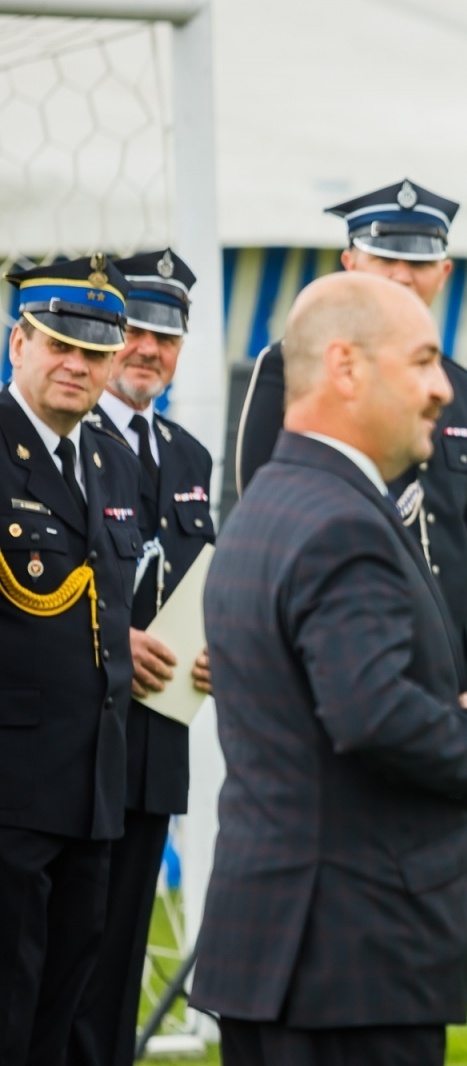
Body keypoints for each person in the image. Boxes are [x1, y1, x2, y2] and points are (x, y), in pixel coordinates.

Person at [190, 271, 467, 1066]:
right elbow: (373, 713)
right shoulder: (342, 522)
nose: (443, 389)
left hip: (282, 950)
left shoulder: (272, 502)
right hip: (350, 956)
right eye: (422, 362)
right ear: (345, 368)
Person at [234, 178, 467, 682]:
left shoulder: (457, 386)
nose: (402, 276)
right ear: (350, 265)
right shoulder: (294, 362)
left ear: (443, 273)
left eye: (420, 263)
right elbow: (261, 506)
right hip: (349, 659)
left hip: (447, 671)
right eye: (384, 258)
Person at [0, 255, 145, 1063]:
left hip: (94, 790)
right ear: (18, 339)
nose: (78, 365)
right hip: (12, 789)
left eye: (95, 351)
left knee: (65, 1009)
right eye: (60, 344)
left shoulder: (106, 460)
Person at [71, 249, 212, 1066]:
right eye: (135, 330)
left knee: (122, 950)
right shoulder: (66, 440)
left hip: (156, 740)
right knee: (63, 952)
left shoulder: (188, 455)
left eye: (168, 334)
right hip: (75, 744)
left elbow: (202, 580)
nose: (150, 350)